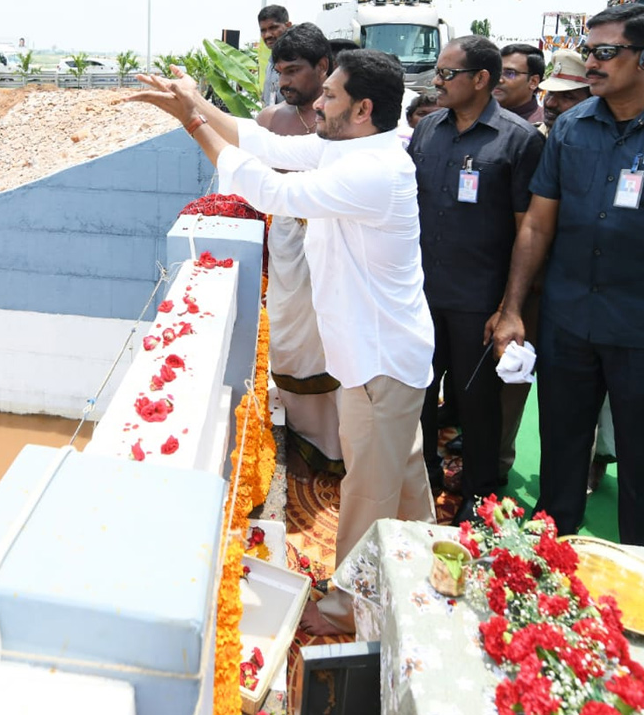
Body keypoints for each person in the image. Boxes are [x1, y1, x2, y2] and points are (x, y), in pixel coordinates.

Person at [125, 49, 436, 633]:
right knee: (404, 475)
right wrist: (195, 103)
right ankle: (424, 572)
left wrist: (191, 122)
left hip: (380, 364)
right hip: (385, 358)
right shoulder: (351, 148)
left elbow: (273, 192)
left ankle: (348, 607)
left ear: (363, 109)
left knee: (368, 494)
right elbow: (262, 144)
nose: (318, 103)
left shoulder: (371, 170)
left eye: (332, 96)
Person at [491, 3, 644, 545]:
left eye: (605, 52)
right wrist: (512, 308)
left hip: (636, 329)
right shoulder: (572, 129)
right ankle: (552, 566)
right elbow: (536, 225)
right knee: (560, 451)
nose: (591, 64)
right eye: (590, 50)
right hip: (569, 320)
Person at [409, 37, 544, 522]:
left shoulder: (518, 140)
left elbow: (530, 228)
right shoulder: (427, 131)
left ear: (480, 79)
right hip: (422, 295)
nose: (437, 83)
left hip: (479, 300)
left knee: (477, 403)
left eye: (447, 74)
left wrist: (510, 308)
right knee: (420, 393)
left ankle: (480, 494)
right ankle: (421, 477)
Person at [255, 24, 343, 476]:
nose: (284, 81)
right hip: (289, 246)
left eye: (293, 71)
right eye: (280, 71)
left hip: (334, 245)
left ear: (322, 68)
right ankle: (304, 440)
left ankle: (339, 447)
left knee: (334, 344)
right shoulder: (270, 121)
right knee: (291, 344)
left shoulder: (343, 121)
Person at [538, 48, 592, 134]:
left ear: (590, 101)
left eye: (567, 96)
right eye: (550, 92)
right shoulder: (528, 138)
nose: (550, 103)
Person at [493, 43, 546, 125]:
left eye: (509, 73)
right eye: (496, 72)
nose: (498, 79)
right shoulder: (477, 116)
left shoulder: (544, 125)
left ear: (533, 82)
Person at [257, 5, 293, 107]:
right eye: (263, 30)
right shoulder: (270, 64)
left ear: (288, 26)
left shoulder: (297, 62)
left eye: (273, 28)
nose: (267, 35)